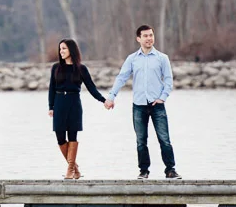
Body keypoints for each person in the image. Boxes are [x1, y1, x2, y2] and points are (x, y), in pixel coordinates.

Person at [104, 25, 180, 179]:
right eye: (145, 36)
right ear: (138, 39)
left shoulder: (162, 58)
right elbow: (122, 78)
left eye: (151, 35)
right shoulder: (132, 59)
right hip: (139, 106)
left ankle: (170, 170)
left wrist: (162, 98)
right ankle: (144, 171)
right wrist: (111, 97)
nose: (149, 38)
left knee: (164, 139)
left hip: (157, 105)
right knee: (141, 141)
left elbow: (168, 80)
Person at [48, 38, 107, 179]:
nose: (61, 51)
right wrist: (51, 106)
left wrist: (104, 100)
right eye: (60, 49)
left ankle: (70, 170)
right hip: (59, 102)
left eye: (64, 48)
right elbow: (51, 88)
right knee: (60, 137)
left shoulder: (81, 69)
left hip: (74, 103)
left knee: (72, 136)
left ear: (71, 50)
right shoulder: (56, 67)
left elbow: (91, 88)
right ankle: (75, 167)